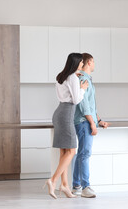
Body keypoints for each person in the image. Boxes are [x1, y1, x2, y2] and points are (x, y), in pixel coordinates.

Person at [44, 53, 89, 199]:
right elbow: (76, 100)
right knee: (72, 151)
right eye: (81, 63)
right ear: (76, 63)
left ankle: (65, 186)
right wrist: (82, 88)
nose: (82, 65)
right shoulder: (74, 78)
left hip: (59, 113)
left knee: (64, 152)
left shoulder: (61, 76)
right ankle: (53, 180)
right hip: (67, 114)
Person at [72, 53, 109, 198]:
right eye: (93, 61)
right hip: (83, 122)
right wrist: (92, 123)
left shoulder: (87, 79)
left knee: (81, 153)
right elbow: (83, 104)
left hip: (86, 121)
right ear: (89, 62)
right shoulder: (82, 79)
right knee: (84, 154)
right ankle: (85, 187)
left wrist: (99, 121)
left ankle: (76, 185)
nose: (94, 64)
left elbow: (92, 106)